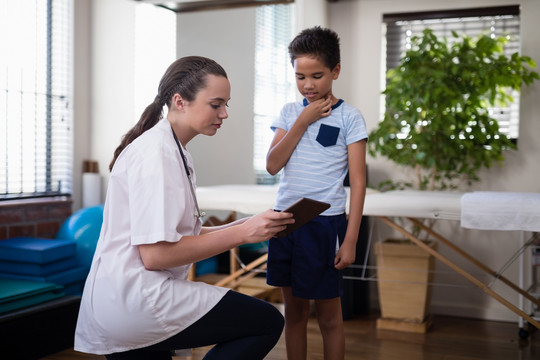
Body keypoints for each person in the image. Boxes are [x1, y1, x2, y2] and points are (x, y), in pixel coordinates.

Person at [74, 56, 294, 360]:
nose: (225, 113)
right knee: (266, 322)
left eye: (226, 104)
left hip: (128, 297)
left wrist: (252, 225)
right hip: (136, 297)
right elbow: (156, 254)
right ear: (180, 101)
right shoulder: (157, 154)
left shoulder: (174, 150)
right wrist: (244, 233)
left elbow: (180, 232)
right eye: (216, 104)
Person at [266, 26, 368, 360]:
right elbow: (272, 164)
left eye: (317, 75)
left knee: (329, 317)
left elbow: (358, 182)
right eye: (300, 77)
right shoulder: (289, 113)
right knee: (293, 314)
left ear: (335, 71)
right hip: (286, 223)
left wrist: (350, 240)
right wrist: (302, 122)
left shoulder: (350, 118)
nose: (308, 85)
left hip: (324, 226)